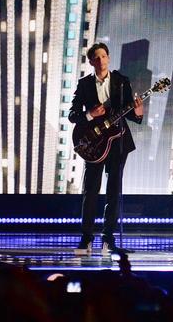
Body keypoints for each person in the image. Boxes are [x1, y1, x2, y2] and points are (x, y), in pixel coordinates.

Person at [69, 42, 143, 256]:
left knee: (113, 191)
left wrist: (137, 112)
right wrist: (90, 114)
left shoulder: (121, 82)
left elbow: (130, 114)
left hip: (118, 142)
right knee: (90, 190)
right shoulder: (84, 85)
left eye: (104, 56)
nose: (101, 60)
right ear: (91, 62)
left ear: (109, 58)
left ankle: (108, 238)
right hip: (94, 143)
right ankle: (86, 237)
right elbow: (73, 115)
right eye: (96, 57)